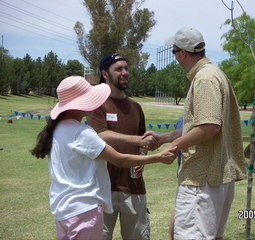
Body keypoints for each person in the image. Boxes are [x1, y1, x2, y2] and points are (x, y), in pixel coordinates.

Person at [30, 76, 176, 240]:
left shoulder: (58, 129)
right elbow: (120, 159)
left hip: (63, 210)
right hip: (84, 210)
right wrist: (158, 157)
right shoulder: (82, 133)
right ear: (79, 105)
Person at [145, 27, 247, 239]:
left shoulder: (204, 79)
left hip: (202, 180)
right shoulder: (215, 74)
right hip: (214, 179)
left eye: (174, 52)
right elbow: (198, 125)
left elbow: (209, 127)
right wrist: (163, 138)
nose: (174, 57)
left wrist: (173, 147)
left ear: (182, 53)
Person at [86, 54, 159, 240]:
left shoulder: (136, 107)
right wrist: (138, 141)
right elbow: (101, 136)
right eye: (118, 69)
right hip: (102, 189)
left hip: (134, 188)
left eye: (126, 68)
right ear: (105, 74)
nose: (125, 73)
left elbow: (143, 139)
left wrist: (142, 156)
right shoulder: (96, 105)